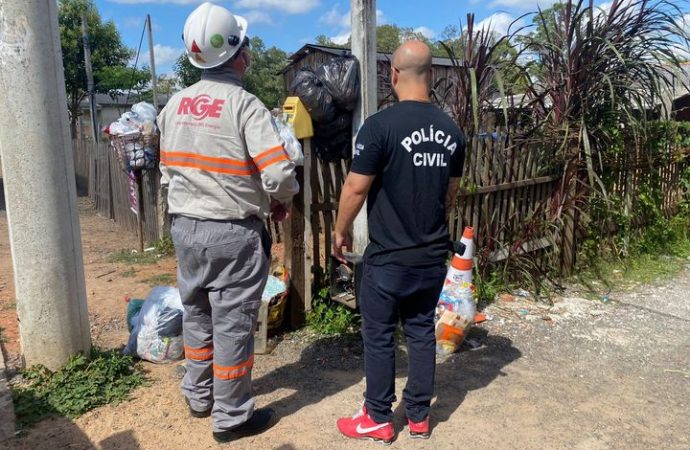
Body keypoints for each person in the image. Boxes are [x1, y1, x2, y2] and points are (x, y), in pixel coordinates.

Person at [157, 2, 298, 443]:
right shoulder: (245, 106)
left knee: (196, 312)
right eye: (247, 46)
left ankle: (198, 396)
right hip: (233, 232)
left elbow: (167, 172)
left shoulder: (174, 105)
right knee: (234, 323)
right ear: (237, 53)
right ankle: (231, 417)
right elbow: (278, 174)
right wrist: (280, 200)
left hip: (185, 227)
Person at [333, 40, 466, 444]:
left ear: (393, 74)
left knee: (379, 335)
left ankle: (376, 416)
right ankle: (420, 417)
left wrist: (340, 230)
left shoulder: (380, 126)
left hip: (389, 259)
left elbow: (356, 188)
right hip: (430, 256)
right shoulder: (452, 131)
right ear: (432, 75)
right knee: (422, 331)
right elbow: (450, 191)